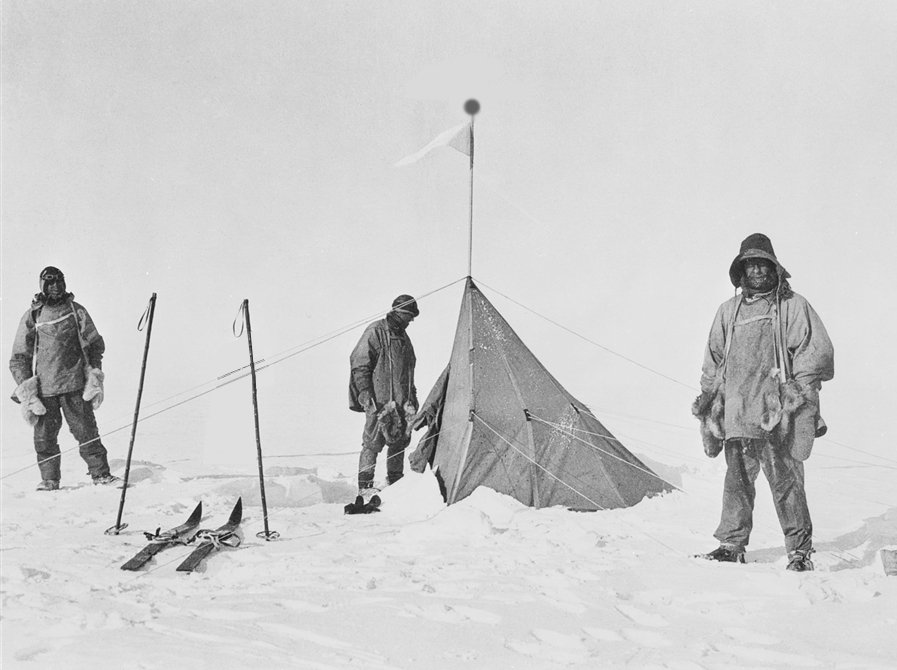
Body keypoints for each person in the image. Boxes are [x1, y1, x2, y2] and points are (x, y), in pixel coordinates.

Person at [692, 234, 834, 572]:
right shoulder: (728, 311)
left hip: (776, 415)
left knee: (787, 484)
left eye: (762, 263)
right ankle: (731, 544)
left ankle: (799, 551)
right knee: (736, 482)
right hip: (737, 412)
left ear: (774, 267)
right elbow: (712, 361)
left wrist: (797, 394)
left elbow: (816, 353)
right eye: (749, 264)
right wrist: (711, 401)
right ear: (740, 270)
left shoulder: (793, 306)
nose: (756, 269)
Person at [9, 267, 119, 490]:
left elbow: (95, 343)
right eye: (50, 283)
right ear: (42, 286)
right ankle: (49, 479)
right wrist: (26, 386)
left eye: (59, 282)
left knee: (86, 431)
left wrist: (94, 374)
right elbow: (20, 356)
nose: (55, 287)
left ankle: (100, 474)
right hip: (44, 391)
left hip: (74, 384)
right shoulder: (33, 315)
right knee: (44, 438)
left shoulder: (75, 310)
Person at [348, 294, 419, 496]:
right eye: (409, 315)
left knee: (398, 442)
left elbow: (409, 371)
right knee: (372, 443)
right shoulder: (375, 332)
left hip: (401, 403)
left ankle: (395, 484)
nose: (411, 320)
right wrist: (364, 391)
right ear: (401, 312)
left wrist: (411, 397)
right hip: (377, 402)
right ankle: (365, 487)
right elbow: (360, 363)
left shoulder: (404, 338)